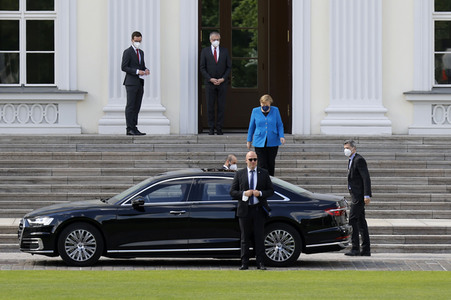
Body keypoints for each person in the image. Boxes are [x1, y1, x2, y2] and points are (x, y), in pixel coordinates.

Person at [230, 151, 274, 270]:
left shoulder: (263, 173)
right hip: (245, 210)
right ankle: (244, 262)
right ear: (246, 161)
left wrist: (259, 193)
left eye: (255, 159)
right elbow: (232, 192)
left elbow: (271, 191)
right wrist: (244, 193)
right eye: (251, 160)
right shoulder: (240, 174)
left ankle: (260, 263)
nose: (253, 162)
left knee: (259, 237)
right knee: (245, 237)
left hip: (259, 209)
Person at [200, 31, 232, 135]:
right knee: (210, 106)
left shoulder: (224, 51)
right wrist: (210, 78)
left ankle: (219, 127)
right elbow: (202, 68)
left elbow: (229, 67)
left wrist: (223, 78)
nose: (216, 41)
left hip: (222, 83)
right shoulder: (205, 51)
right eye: (214, 40)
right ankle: (211, 127)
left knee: (221, 106)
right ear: (210, 40)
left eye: (217, 39)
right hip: (210, 83)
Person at [343, 140, 372, 257]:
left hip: (359, 196)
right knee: (361, 222)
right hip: (355, 194)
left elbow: (366, 178)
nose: (345, 150)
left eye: (347, 147)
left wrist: (366, 195)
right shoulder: (351, 160)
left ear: (353, 148)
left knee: (352, 220)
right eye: (344, 147)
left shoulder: (359, 160)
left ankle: (355, 248)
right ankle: (366, 250)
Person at [246, 94, 285, 176]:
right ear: (260, 103)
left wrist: (281, 136)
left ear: (270, 104)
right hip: (259, 140)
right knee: (262, 163)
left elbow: (279, 124)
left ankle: (271, 181)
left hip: (273, 140)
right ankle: (262, 180)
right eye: (263, 104)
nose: (265, 106)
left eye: (267, 105)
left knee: (271, 163)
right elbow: (252, 126)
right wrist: (249, 140)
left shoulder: (275, 110)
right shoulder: (255, 111)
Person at [121, 31, 150, 136]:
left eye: (139, 41)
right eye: (136, 41)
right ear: (132, 40)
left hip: (139, 82)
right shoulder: (127, 52)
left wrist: (145, 70)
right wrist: (137, 71)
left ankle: (134, 127)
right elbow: (124, 67)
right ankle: (129, 128)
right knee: (131, 106)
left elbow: (142, 65)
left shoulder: (141, 52)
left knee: (137, 106)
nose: (138, 42)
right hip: (131, 82)